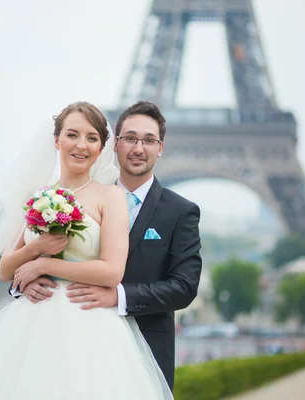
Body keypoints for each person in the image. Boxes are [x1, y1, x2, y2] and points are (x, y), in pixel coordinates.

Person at [0, 102, 174, 399]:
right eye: (72, 135)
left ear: (102, 148)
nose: (81, 145)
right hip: (34, 323)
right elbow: (6, 269)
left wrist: (45, 266)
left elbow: (112, 271)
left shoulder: (110, 197)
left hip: (90, 326)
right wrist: (36, 249)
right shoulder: (38, 195)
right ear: (56, 140)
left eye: (91, 138)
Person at [20, 101, 202, 388]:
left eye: (148, 140)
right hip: (67, 339)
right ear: (114, 145)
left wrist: (120, 296)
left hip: (145, 348)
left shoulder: (181, 212)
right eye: (129, 138)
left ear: (161, 148)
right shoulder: (79, 196)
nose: (138, 148)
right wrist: (24, 282)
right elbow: (40, 250)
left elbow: (184, 287)